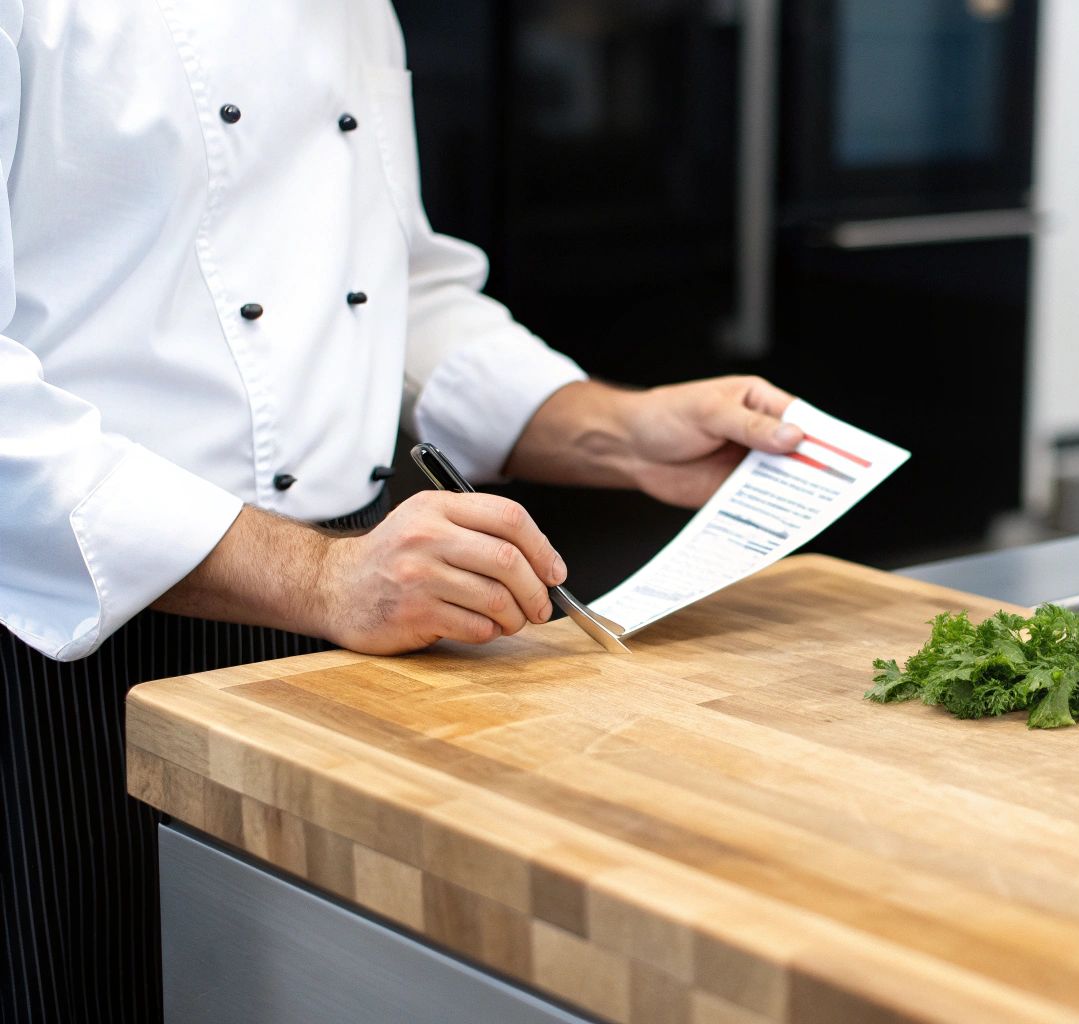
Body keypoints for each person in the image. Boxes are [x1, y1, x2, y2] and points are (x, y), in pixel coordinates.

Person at [0, 3, 805, 1020]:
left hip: (353, 627)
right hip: (70, 643)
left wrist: (617, 427)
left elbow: (394, 290)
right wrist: (319, 575)